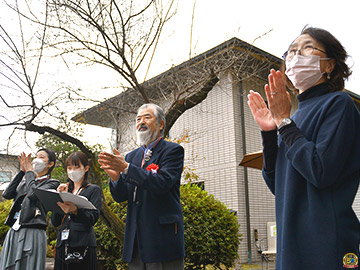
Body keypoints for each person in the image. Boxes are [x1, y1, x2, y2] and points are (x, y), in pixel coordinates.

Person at [247, 26, 360, 270]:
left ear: (330, 65)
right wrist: (269, 131)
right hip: (291, 242)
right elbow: (277, 184)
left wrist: (284, 122)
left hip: (327, 244)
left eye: (307, 47)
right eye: (291, 51)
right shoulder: (293, 118)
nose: (296, 55)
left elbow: (321, 171)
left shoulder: (339, 104)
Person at [98, 103, 185, 270]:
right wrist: (116, 178)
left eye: (147, 117)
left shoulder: (173, 151)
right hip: (136, 240)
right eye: (138, 119)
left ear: (160, 124)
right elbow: (121, 196)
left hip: (162, 238)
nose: (141, 122)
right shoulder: (132, 156)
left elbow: (162, 183)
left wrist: (126, 168)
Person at [0, 148, 60, 270]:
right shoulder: (25, 181)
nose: (36, 159)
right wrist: (22, 172)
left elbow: (33, 195)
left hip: (34, 230)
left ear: (50, 164)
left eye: (41, 157)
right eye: (36, 156)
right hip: (16, 229)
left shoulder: (52, 183)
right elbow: (7, 194)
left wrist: (29, 173)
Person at [51, 151, 101, 270]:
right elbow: (55, 221)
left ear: (86, 168)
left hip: (83, 244)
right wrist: (59, 196)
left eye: (77, 166)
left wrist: (75, 210)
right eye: (69, 167)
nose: (72, 171)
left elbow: (93, 218)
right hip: (63, 244)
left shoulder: (93, 190)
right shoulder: (65, 190)